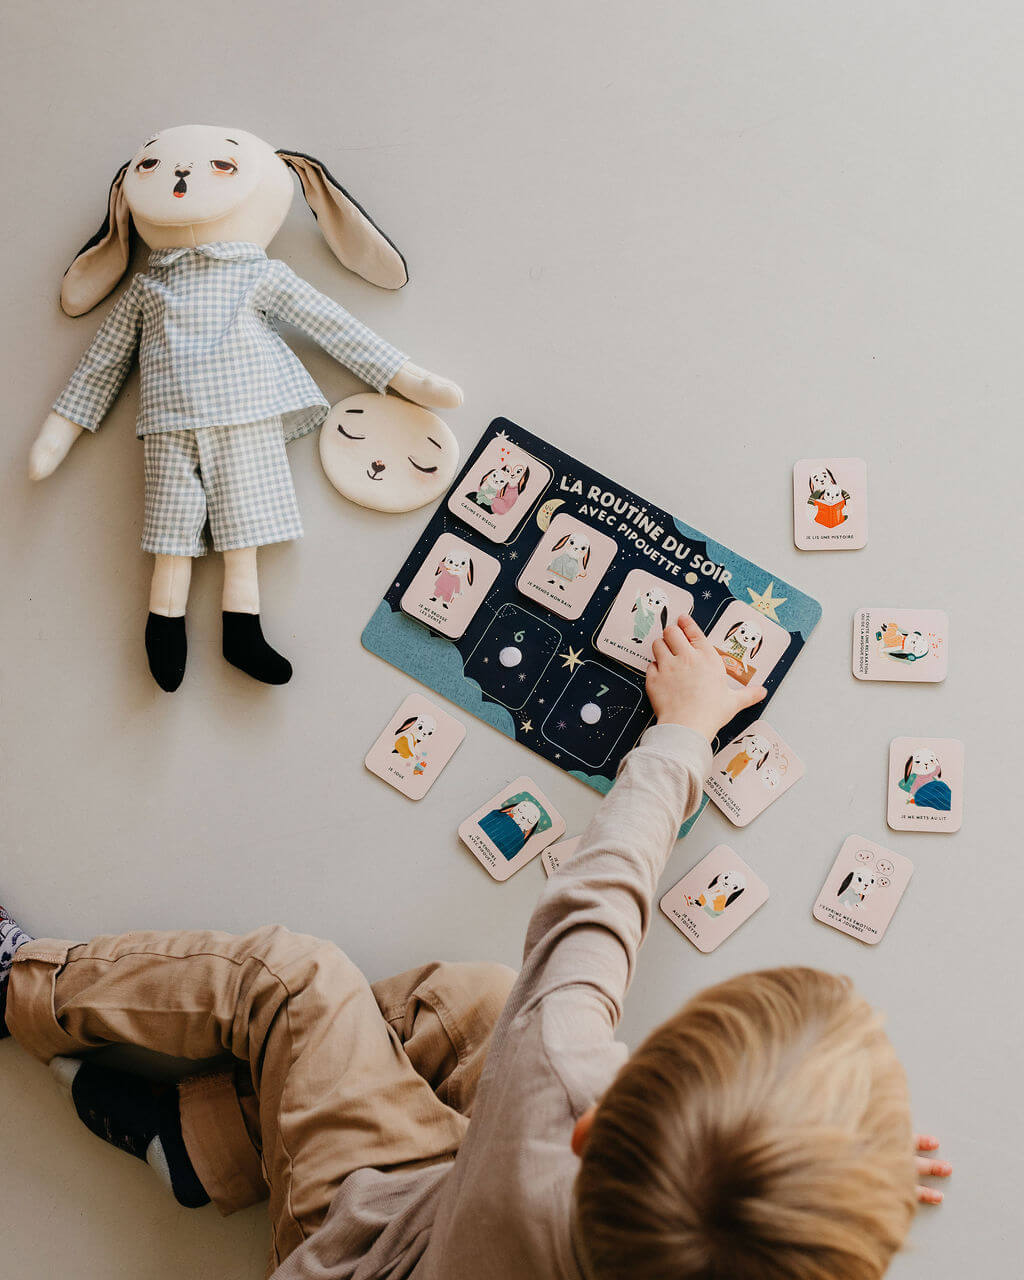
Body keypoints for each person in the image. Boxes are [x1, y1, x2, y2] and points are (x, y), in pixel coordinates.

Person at [0, 616, 951, 1279]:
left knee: (294, 981)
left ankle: (17, 988)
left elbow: (592, 908)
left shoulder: (551, 1111)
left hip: (366, 1250)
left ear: (587, 1129)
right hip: (475, 1226)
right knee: (473, 1007)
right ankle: (204, 1145)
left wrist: (686, 731)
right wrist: (833, 1185)